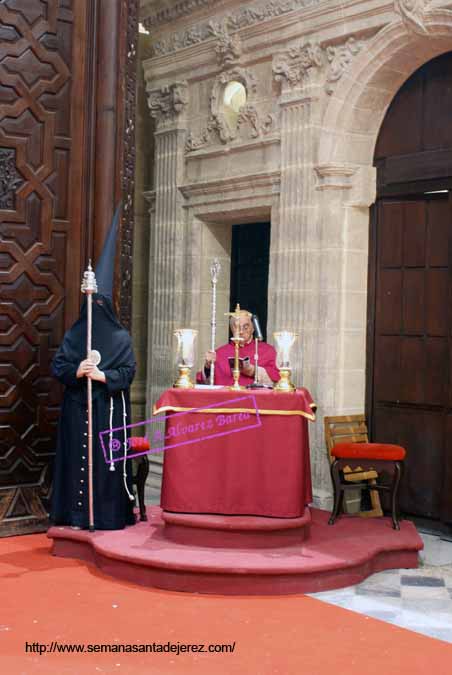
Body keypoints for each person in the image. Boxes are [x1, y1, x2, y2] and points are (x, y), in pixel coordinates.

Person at [51, 205, 136, 530]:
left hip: (107, 412)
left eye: (99, 304)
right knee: (76, 463)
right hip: (77, 411)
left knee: (105, 465)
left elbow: (128, 373)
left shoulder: (120, 337)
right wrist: (77, 370)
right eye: (91, 304)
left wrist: (103, 376)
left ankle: (106, 516)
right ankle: (74, 515)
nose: (94, 310)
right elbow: (58, 365)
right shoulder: (76, 332)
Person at [199, 309, 279, 386]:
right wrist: (207, 366)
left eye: (245, 327)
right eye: (236, 327)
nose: (241, 331)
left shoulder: (268, 351)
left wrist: (253, 371)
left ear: (253, 328)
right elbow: (204, 383)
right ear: (231, 329)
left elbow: (277, 380)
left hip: (255, 398)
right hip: (227, 398)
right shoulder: (219, 353)